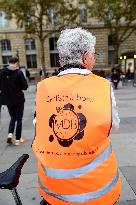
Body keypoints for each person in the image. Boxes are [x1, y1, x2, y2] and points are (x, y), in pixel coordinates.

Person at [32, 28, 121, 205]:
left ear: (60, 57)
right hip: (99, 191)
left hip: (52, 190)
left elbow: (38, 124)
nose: (94, 59)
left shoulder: (43, 87)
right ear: (86, 57)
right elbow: (114, 125)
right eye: (93, 55)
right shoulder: (102, 86)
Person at [0, 57, 28, 145]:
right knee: (19, 119)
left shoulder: (1, 72)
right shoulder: (18, 73)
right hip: (18, 99)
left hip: (8, 100)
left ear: (9, 63)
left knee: (13, 117)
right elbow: (25, 87)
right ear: (16, 63)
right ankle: (18, 139)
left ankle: (10, 134)